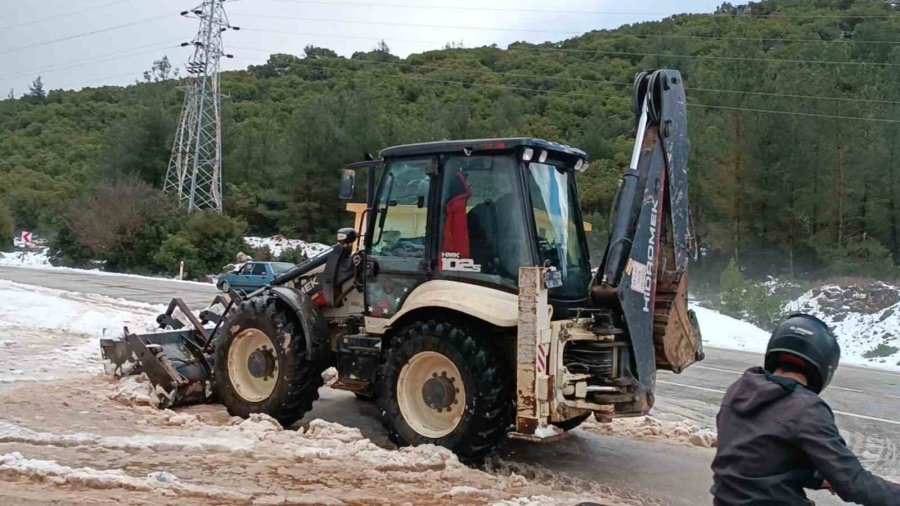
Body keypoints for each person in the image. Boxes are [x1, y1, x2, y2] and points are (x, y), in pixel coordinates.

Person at [711, 313, 900, 506]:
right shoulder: (807, 408)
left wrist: (819, 478)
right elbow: (853, 483)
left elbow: (757, 458)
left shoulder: (740, 389)